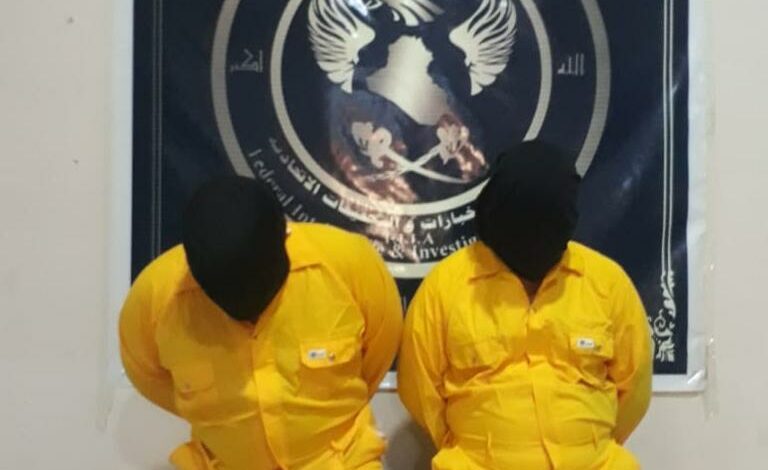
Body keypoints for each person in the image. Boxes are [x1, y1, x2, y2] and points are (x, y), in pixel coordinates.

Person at [398, 141, 652, 469]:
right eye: (522, 217)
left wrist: (583, 444)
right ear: (496, 208)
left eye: (546, 220)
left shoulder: (607, 283)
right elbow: (420, 390)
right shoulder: (446, 286)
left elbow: (634, 388)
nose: (533, 233)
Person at [120, 176, 403, 469]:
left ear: (285, 238)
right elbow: (149, 378)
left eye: (259, 289)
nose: (247, 315)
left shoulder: (347, 264)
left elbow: (380, 348)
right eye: (226, 296)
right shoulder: (155, 300)